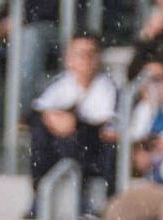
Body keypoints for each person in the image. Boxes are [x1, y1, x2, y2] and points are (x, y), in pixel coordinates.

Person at [29, 33, 120, 209]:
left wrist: (74, 123)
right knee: (40, 135)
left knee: (80, 138)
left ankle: (85, 202)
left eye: (90, 54)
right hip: (59, 146)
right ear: (69, 59)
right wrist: (53, 119)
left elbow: (103, 122)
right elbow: (40, 111)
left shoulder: (108, 88)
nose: (85, 60)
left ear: (98, 58)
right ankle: (39, 197)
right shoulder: (60, 86)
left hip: (93, 148)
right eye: (79, 54)